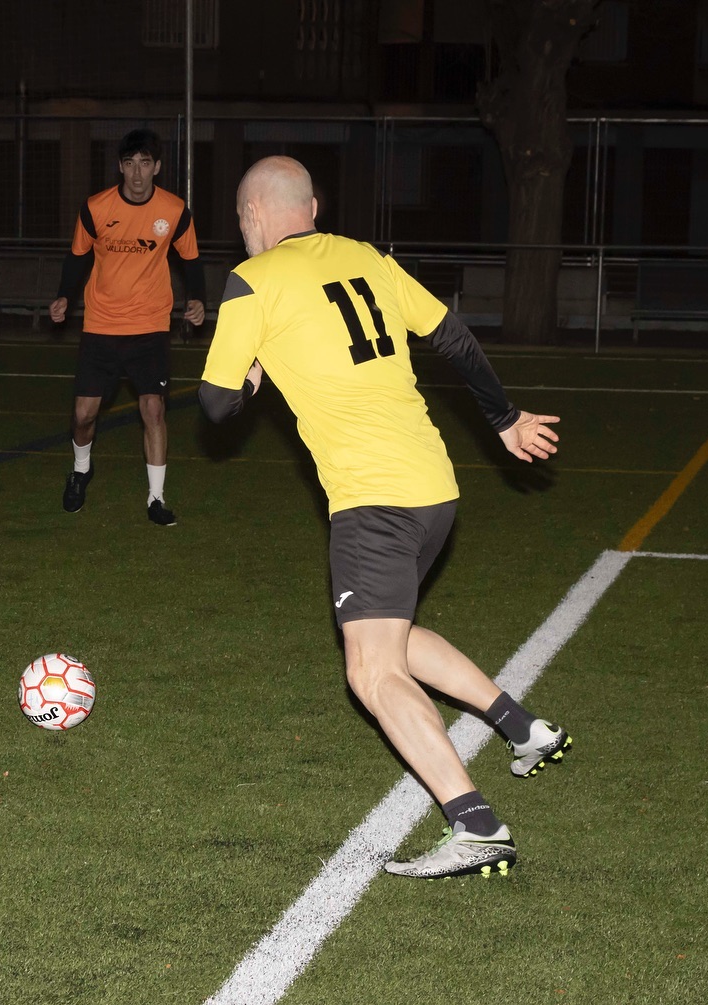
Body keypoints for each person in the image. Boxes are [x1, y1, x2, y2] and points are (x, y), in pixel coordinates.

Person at [199, 156, 570, 880]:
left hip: (373, 501)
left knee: (370, 671)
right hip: (433, 487)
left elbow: (215, 405)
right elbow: (454, 337)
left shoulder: (254, 280)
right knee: (390, 633)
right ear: (313, 207)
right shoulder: (369, 257)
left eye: (241, 219)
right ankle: (522, 727)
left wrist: (251, 375)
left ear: (253, 215)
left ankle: (476, 823)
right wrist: (503, 419)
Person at [49, 129, 205, 526]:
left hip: (150, 326)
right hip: (101, 325)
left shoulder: (174, 211)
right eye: (130, 164)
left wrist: (197, 299)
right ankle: (81, 469)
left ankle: (156, 498)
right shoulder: (95, 208)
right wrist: (65, 295)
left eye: (145, 164)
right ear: (120, 166)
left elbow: (191, 260)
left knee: (153, 408)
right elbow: (77, 257)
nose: (137, 173)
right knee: (84, 415)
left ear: (157, 167)